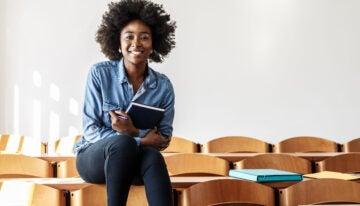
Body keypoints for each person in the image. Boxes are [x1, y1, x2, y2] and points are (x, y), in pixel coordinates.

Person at [73, 0, 177, 205]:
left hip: (135, 160)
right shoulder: (99, 74)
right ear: (118, 43)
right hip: (93, 158)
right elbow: (91, 130)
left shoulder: (163, 86)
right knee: (122, 142)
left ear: (154, 43)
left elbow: (162, 138)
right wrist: (137, 139)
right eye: (129, 36)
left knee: (154, 158)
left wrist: (134, 133)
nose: (136, 43)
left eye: (144, 37)